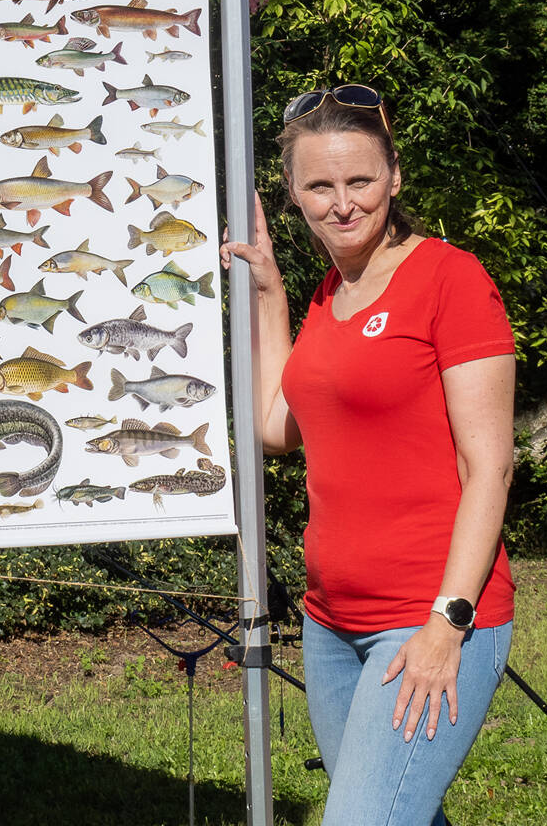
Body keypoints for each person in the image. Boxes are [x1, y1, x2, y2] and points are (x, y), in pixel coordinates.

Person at [221, 84, 516, 826]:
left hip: (427, 618)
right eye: (320, 186)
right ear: (293, 194)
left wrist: (447, 623)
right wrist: (270, 295)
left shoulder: (450, 278)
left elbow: (490, 466)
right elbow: (274, 428)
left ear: (394, 176)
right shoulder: (329, 294)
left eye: (360, 180)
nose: (343, 204)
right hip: (329, 624)